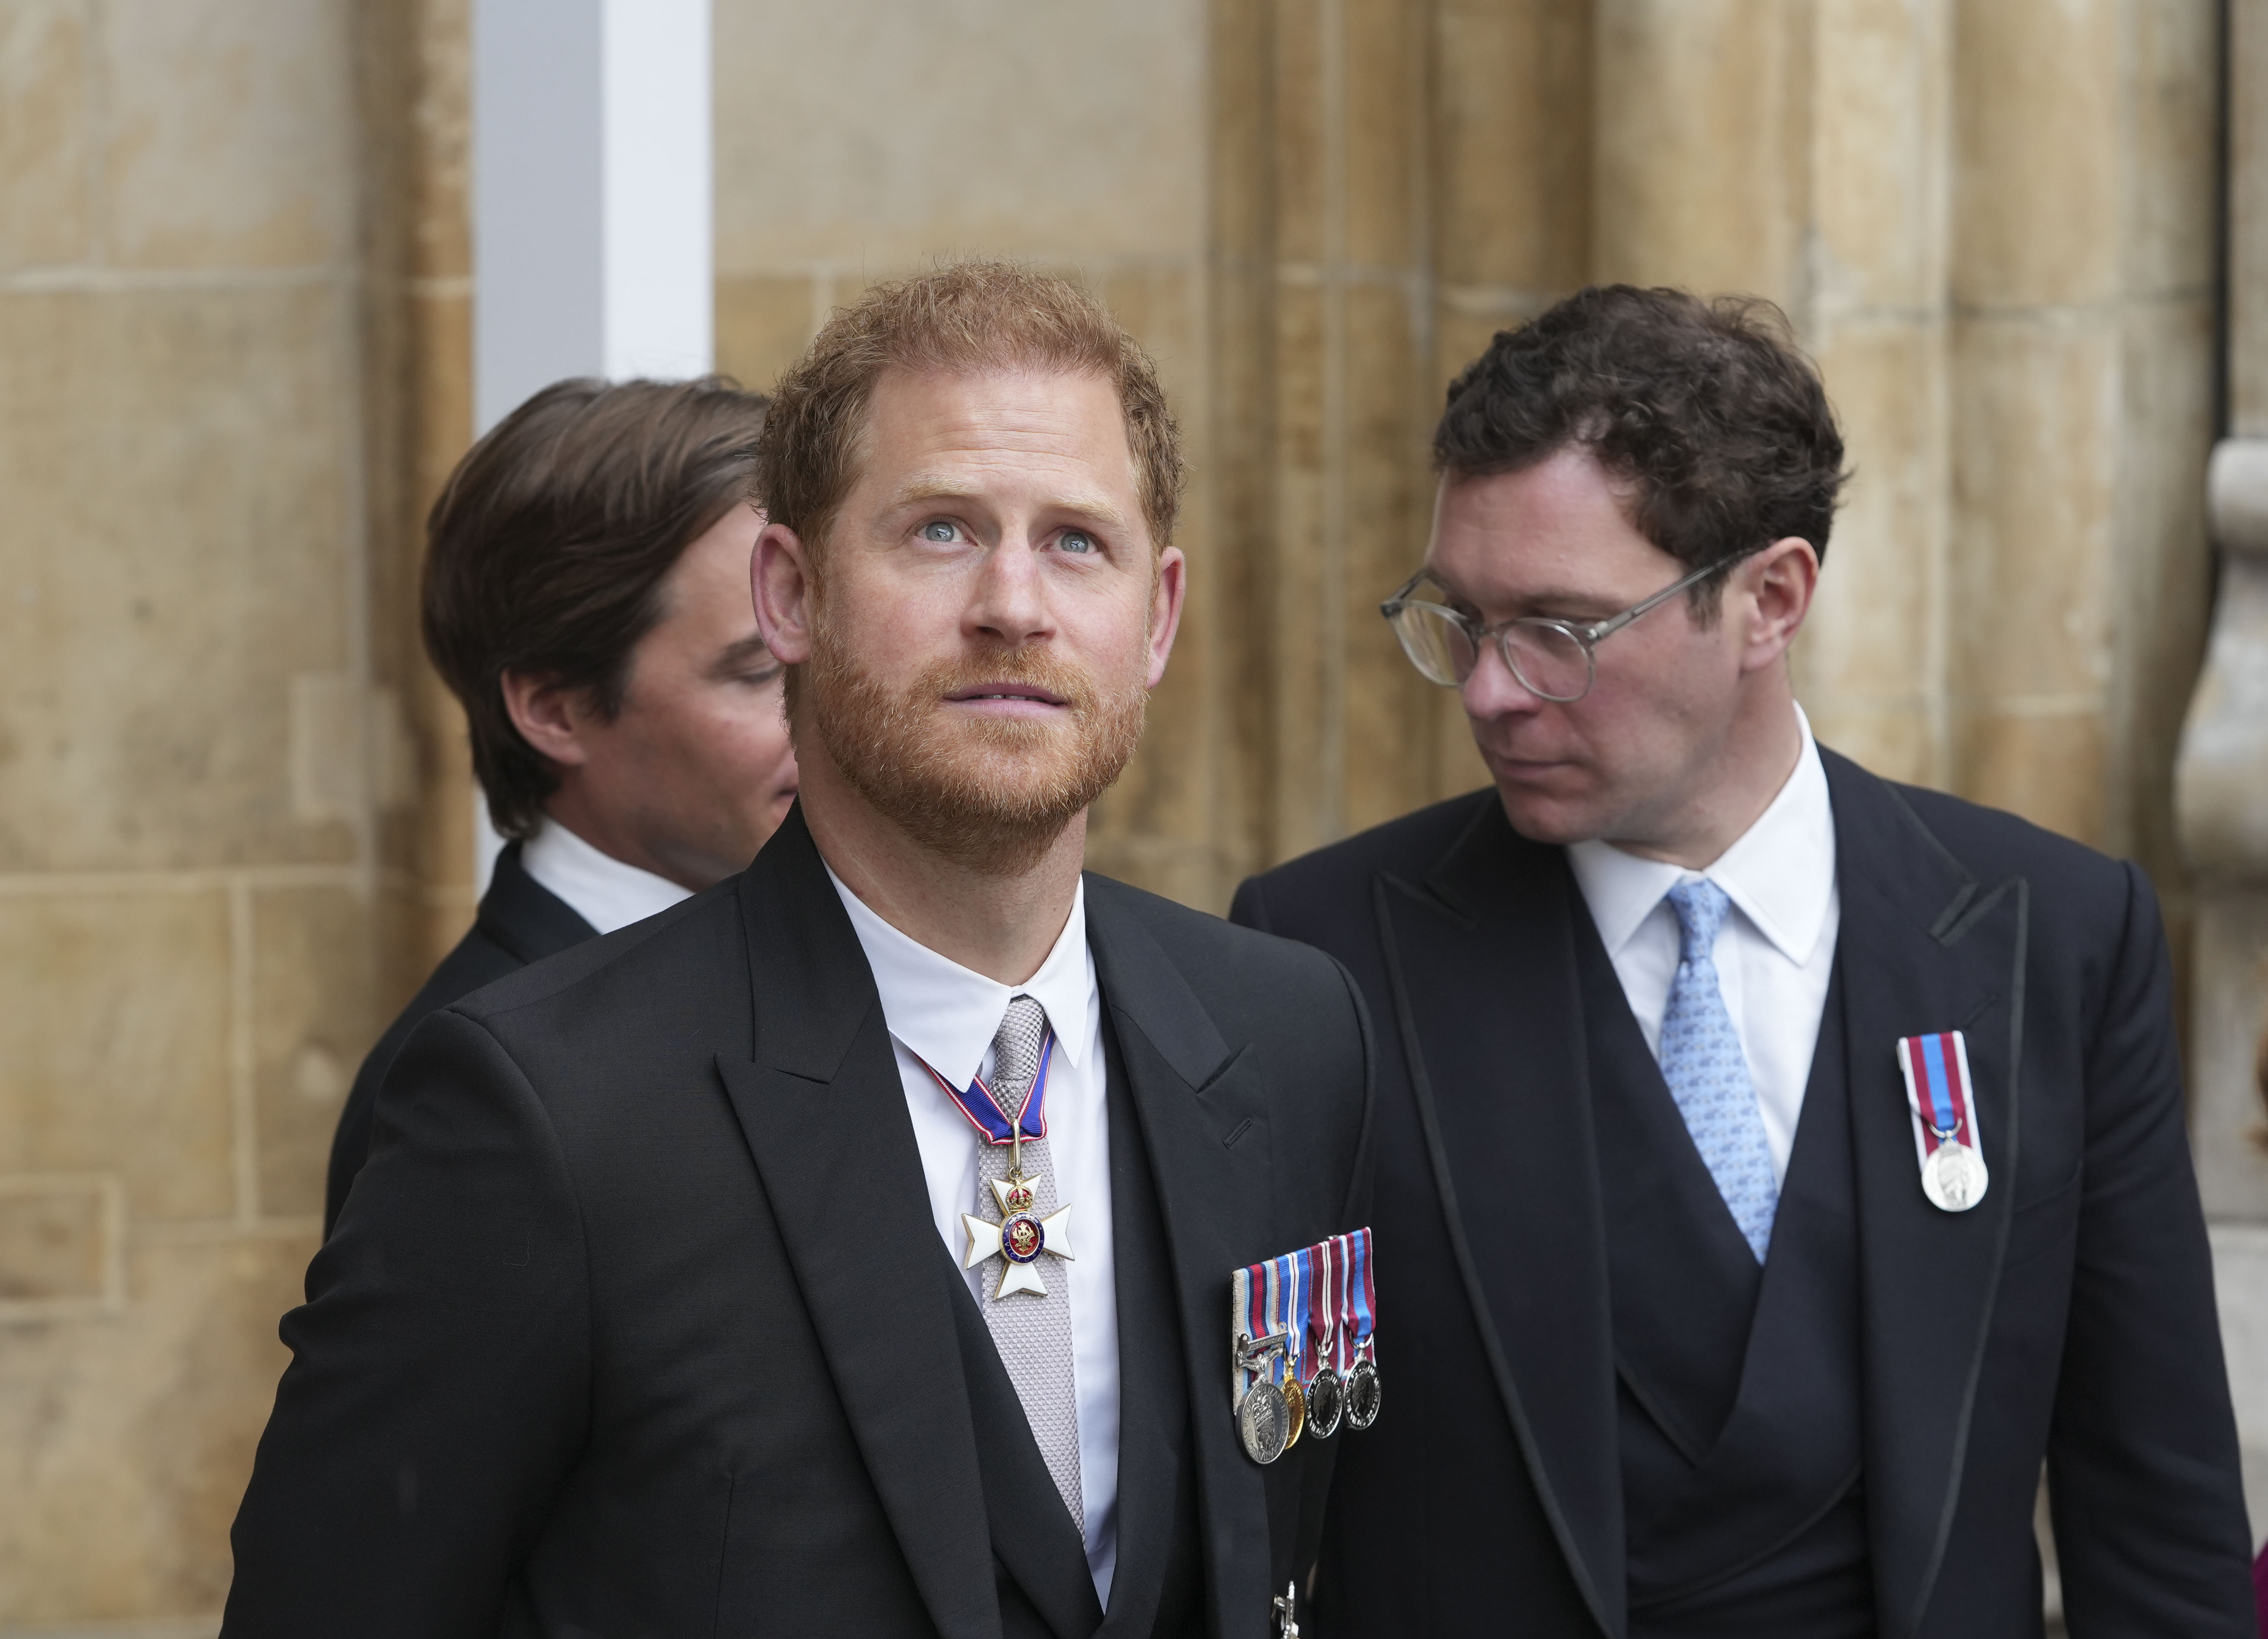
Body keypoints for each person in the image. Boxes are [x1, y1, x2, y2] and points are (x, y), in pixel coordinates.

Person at [225, 264, 1371, 1638]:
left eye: (1077, 541)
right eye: (941, 531)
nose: (1015, 601)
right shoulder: (548, 1113)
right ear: (791, 594)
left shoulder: (1290, 1033)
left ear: (1159, 619)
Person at [1231, 286, 2257, 1636]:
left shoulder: (2051, 938)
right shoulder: (1321, 954)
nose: (1487, 689)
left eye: (1558, 629)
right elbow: (1267, 1496)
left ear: (1770, 598)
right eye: (1459, 619)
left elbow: (2160, 1520)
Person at [322, 377, 798, 1236]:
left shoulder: (843, 963)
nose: (833, 722)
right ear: (553, 709)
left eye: (827, 650)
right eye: (759, 673)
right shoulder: (465, 1093)